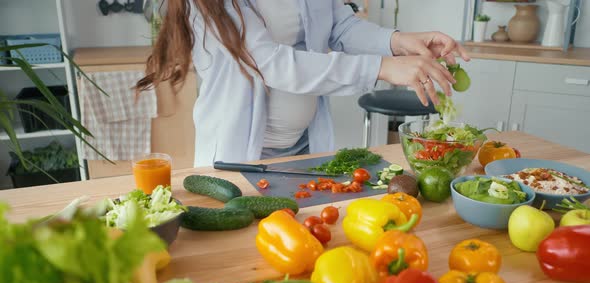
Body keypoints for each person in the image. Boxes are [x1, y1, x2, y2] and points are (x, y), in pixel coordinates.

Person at [137, 0, 470, 167]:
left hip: (303, 149)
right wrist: (381, 67)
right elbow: (269, 63)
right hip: (240, 157)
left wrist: (400, 41)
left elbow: (341, 27)